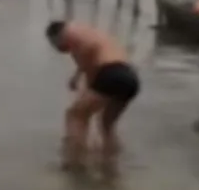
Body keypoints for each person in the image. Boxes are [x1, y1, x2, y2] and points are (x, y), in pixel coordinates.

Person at [45, 20, 141, 158]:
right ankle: (111, 161)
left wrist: (84, 90)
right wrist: (77, 76)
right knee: (106, 125)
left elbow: (92, 69)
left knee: (75, 115)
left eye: (54, 44)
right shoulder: (86, 33)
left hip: (110, 73)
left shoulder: (70, 35)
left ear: (57, 36)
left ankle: (75, 160)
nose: (56, 49)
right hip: (130, 77)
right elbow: (90, 56)